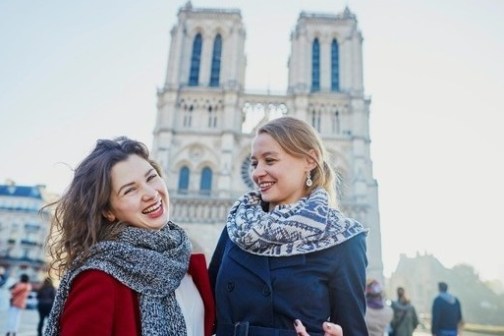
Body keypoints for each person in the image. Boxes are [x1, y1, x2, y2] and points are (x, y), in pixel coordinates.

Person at [209, 116, 369, 335]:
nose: (256, 172)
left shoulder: (343, 238)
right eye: (254, 163)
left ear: (309, 160)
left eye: (270, 160)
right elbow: (204, 310)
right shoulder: (236, 226)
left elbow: (353, 330)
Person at [43, 136, 214, 336]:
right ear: (108, 211)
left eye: (151, 177)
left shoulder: (183, 263)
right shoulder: (98, 279)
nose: (150, 193)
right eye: (130, 190)